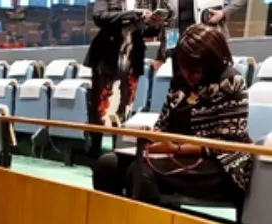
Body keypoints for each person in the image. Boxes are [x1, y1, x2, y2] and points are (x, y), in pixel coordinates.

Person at [93, 25, 252, 208]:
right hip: (174, 153)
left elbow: (228, 143)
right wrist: (153, 137)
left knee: (141, 173)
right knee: (107, 165)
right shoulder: (179, 82)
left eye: (196, 70)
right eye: (185, 68)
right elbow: (164, 123)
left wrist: (176, 148)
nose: (189, 75)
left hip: (221, 166)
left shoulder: (231, 82)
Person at [85, 0, 168, 156]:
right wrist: (133, 14)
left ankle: (117, 154)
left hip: (132, 59)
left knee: (124, 108)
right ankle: (95, 153)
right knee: (101, 108)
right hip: (107, 58)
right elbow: (99, 16)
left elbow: (147, 32)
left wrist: (154, 24)